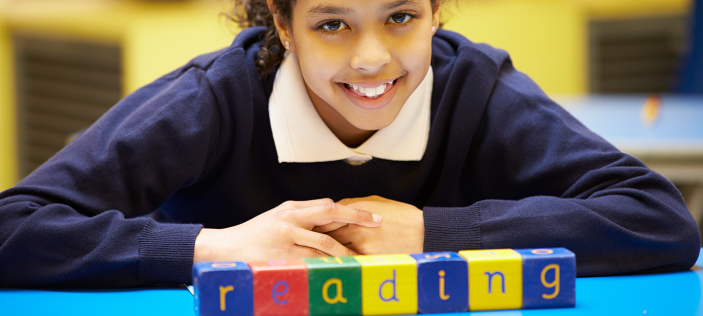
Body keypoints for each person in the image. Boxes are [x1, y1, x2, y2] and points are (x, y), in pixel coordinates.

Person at [0, 0, 700, 288]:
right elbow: (15, 227)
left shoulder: (480, 93)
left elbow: (657, 219)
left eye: (399, 16)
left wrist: (432, 231)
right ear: (279, 19)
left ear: (433, 14)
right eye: (332, 23)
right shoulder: (212, 99)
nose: (371, 60)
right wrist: (211, 246)